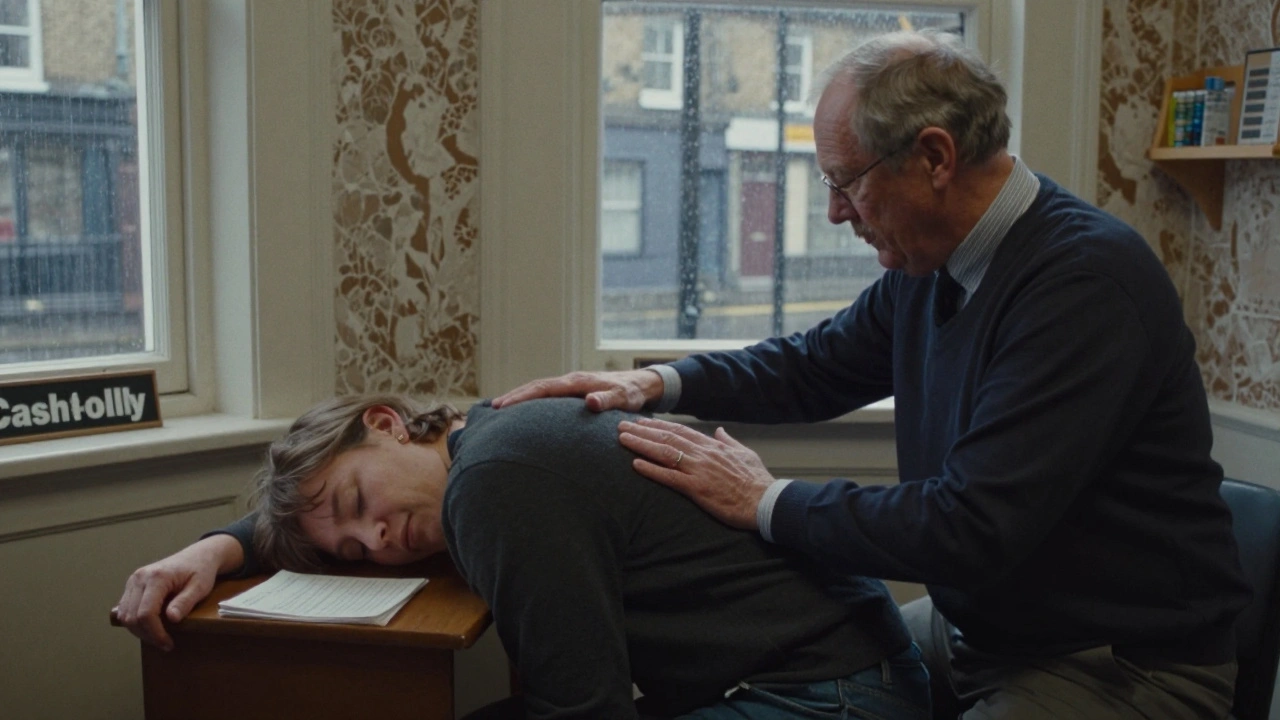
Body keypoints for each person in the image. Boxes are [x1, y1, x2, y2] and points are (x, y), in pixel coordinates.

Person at [490, 30, 1251, 720]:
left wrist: (764, 501)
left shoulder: (1085, 284)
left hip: (1120, 667)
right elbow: (816, 365)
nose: (833, 213)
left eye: (844, 182)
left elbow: (968, 528)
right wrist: (659, 382)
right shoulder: (932, 261)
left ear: (934, 157)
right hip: (988, 632)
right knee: (825, 667)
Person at [117, 394, 931, 720]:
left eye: (360, 505)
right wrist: (216, 547)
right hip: (848, 657)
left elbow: (584, 706)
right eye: (353, 551)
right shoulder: (489, 437)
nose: (377, 542)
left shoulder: (495, 489)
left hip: (830, 695)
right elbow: (306, 520)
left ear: (389, 421)